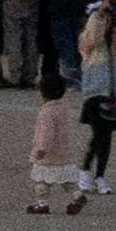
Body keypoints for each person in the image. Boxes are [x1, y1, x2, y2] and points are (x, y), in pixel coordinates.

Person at [73, 0, 116, 206]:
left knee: (106, 136)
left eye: (110, 17)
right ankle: (86, 170)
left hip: (112, 92)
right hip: (95, 91)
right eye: (103, 17)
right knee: (99, 133)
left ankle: (99, 175)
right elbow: (91, 36)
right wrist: (98, 13)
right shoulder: (88, 41)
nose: (107, 21)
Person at [26, 67, 78, 215]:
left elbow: (46, 134)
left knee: (41, 181)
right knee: (67, 180)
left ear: (42, 92)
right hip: (65, 151)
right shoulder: (64, 108)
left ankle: (42, 204)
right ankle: (77, 196)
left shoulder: (46, 112)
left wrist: (41, 149)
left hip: (49, 155)